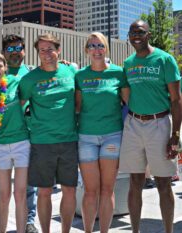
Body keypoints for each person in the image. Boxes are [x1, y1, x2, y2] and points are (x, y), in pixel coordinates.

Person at [119, 20, 182, 233]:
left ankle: (168, 231)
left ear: (149, 34)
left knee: (163, 182)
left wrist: (175, 134)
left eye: (140, 32)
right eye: (132, 32)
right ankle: (135, 231)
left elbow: (176, 99)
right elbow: (125, 94)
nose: (136, 35)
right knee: (135, 181)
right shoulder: (127, 63)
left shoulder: (165, 59)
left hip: (160, 124)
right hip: (134, 124)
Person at [19, 34, 78, 233]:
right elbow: (18, 106)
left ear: (58, 50)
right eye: (42, 50)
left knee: (69, 190)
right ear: (37, 53)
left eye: (50, 49)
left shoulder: (70, 71)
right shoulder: (30, 79)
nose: (47, 54)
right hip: (42, 142)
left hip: (69, 140)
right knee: (44, 192)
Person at [0, 34, 39, 233]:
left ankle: (28, 221)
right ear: (5, 53)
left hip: (24, 137)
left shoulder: (30, 72)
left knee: (27, 186)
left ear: (24, 50)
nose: (15, 53)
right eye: (10, 49)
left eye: (18, 48)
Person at [75, 32, 129, 233]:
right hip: (86, 138)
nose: (96, 50)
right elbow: (77, 107)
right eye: (92, 46)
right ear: (86, 50)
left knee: (107, 190)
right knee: (90, 191)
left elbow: (129, 103)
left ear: (106, 48)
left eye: (100, 45)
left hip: (112, 136)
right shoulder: (80, 76)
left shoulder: (118, 73)